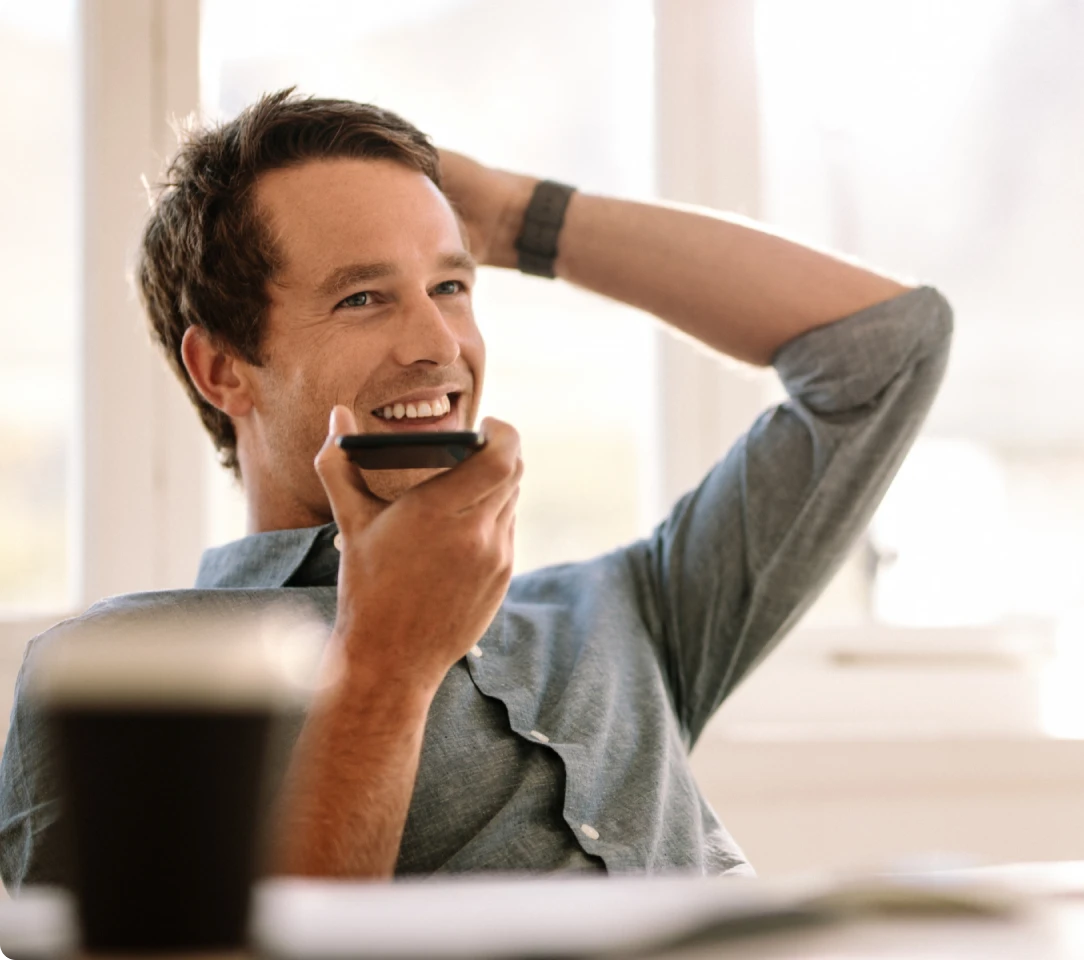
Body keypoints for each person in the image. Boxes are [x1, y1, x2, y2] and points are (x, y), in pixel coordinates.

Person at [0, 90, 952, 887]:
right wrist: (387, 665)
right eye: (363, 297)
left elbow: (882, 351)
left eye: (451, 288)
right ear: (222, 371)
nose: (438, 346)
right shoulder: (125, 672)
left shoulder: (619, 614)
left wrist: (507, 219)